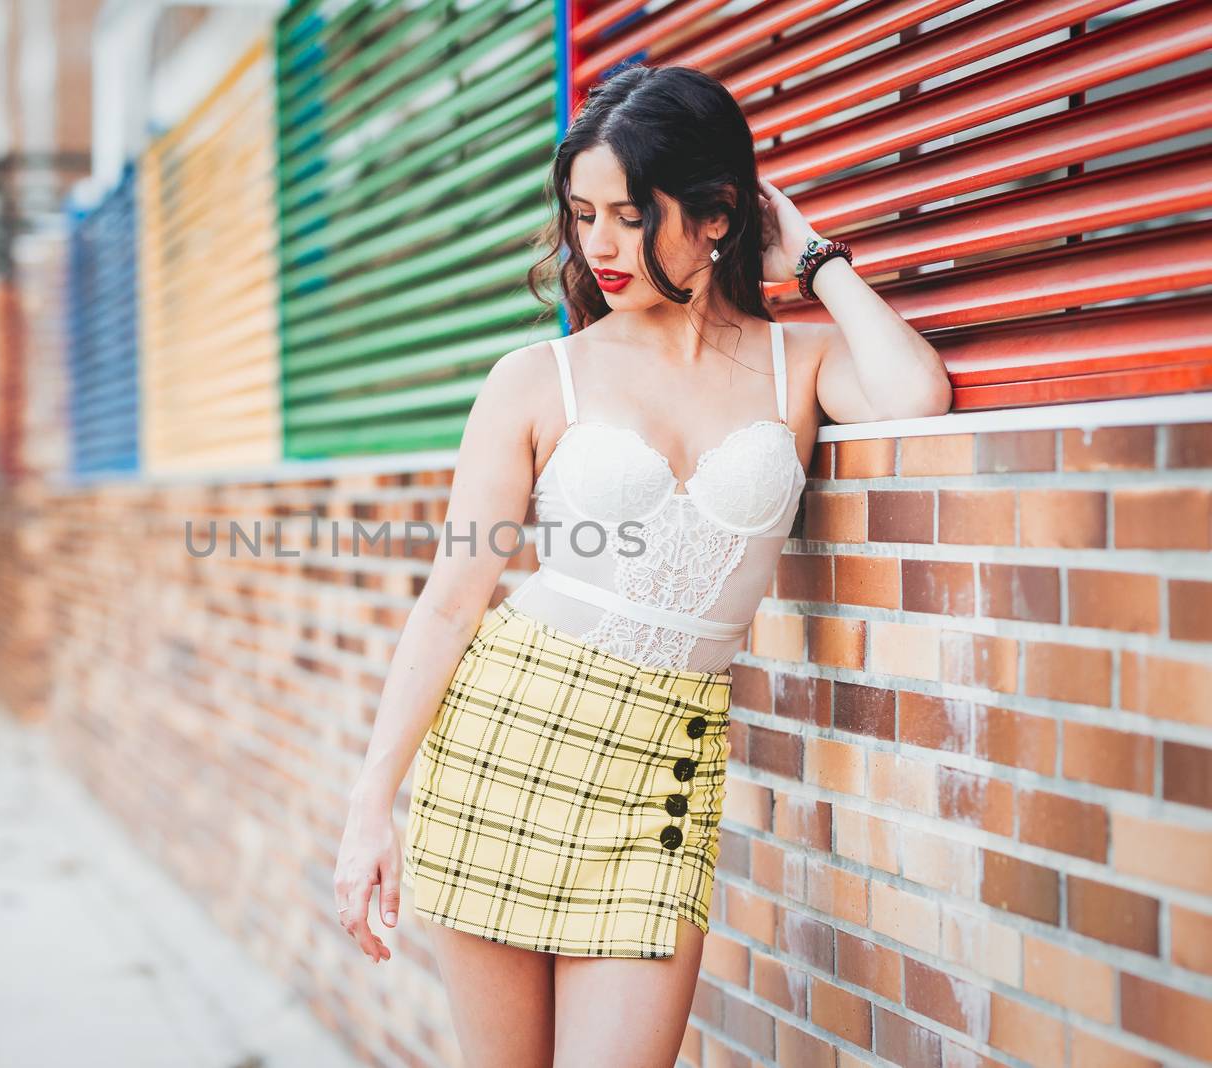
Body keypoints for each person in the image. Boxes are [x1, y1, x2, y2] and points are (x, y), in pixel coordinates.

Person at [333, 63, 952, 1067]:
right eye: (582, 214)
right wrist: (369, 810)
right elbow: (452, 602)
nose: (600, 245)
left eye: (630, 213)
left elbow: (915, 395)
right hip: (506, 745)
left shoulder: (798, 365)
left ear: (716, 216)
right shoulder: (539, 378)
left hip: (660, 770)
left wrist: (819, 262)